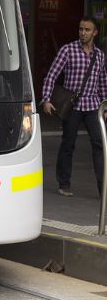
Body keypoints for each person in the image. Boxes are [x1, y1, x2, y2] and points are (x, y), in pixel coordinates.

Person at [41, 16, 107, 197]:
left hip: (93, 105)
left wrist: (105, 106)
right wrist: (47, 99)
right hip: (73, 105)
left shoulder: (100, 55)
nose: (83, 33)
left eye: (87, 30)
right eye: (80, 29)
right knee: (68, 144)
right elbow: (51, 75)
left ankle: (103, 188)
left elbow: (102, 83)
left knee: (99, 144)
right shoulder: (68, 50)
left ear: (95, 32)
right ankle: (64, 183)